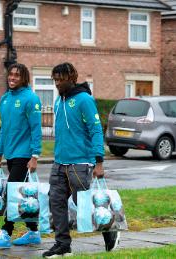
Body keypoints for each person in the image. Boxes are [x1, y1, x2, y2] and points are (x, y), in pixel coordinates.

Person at [42, 62, 120, 258]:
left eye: (61, 79)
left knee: (84, 205)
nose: (57, 83)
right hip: (59, 162)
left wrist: (99, 161)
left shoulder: (84, 100)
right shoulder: (59, 101)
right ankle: (62, 245)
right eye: (55, 80)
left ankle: (110, 232)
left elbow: (95, 129)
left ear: (71, 78)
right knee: (56, 201)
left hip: (80, 162)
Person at [0, 63, 43, 248]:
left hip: (24, 155)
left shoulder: (31, 99)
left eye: (17, 75)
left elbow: (36, 129)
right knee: (23, 195)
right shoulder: (5, 99)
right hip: (11, 154)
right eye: (10, 74)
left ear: (24, 78)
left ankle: (6, 233)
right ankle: (34, 232)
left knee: (12, 193)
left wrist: (35, 155)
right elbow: (4, 129)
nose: (12, 78)